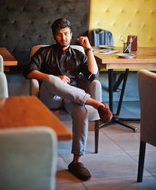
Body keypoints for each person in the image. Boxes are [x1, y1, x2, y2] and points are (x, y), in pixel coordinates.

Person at [24, 18, 112, 181]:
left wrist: (89, 49)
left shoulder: (78, 54)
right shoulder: (44, 52)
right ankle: (96, 104)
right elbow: (29, 72)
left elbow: (93, 75)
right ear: (54, 36)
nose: (63, 37)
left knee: (81, 111)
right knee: (51, 80)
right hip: (50, 97)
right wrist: (55, 77)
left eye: (65, 34)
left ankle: (76, 162)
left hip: (72, 97)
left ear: (71, 35)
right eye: (59, 34)